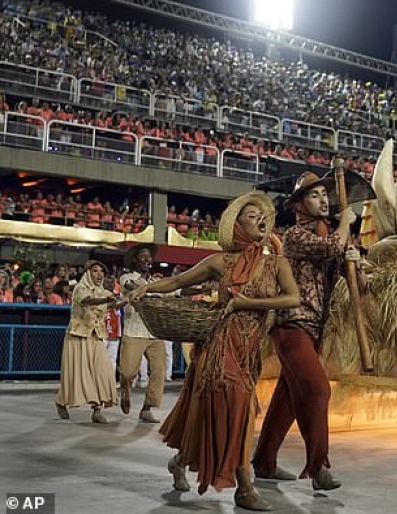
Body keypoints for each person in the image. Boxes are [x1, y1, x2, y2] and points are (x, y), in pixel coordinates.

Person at [128, 191, 299, 511]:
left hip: (250, 352)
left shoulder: (277, 263)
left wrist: (249, 303)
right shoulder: (221, 262)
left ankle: (180, 461)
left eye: (262, 216)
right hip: (220, 347)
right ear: (236, 225)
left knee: (225, 417)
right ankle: (244, 487)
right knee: (237, 412)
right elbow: (178, 281)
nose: (260, 220)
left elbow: (293, 299)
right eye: (251, 216)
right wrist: (147, 287)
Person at [252, 171, 360, 491]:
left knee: (287, 398)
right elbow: (329, 248)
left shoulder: (329, 235)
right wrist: (346, 225)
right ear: (299, 205)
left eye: (325, 194)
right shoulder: (296, 236)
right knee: (318, 391)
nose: (324, 199)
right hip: (292, 325)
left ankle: (264, 462)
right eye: (315, 195)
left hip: (314, 329)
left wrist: (354, 261)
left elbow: (358, 284)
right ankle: (319, 466)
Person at [55, 260, 124, 423]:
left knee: (102, 371)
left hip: (96, 336)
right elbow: (87, 301)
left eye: (102, 271)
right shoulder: (80, 288)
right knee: (76, 374)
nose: (99, 274)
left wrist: (130, 300)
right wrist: (107, 300)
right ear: (87, 273)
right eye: (95, 271)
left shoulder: (104, 292)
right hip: (78, 336)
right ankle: (61, 401)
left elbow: (114, 304)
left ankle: (97, 409)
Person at [119, 243, 166, 423]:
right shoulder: (127, 277)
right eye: (143, 256)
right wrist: (147, 291)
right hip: (135, 331)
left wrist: (201, 289)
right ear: (135, 260)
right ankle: (125, 389)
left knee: (158, 371)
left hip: (154, 333)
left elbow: (175, 289)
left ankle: (147, 408)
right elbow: (131, 287)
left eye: (149, 256)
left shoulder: (156, 281)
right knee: (128, 372)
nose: (148, 259)